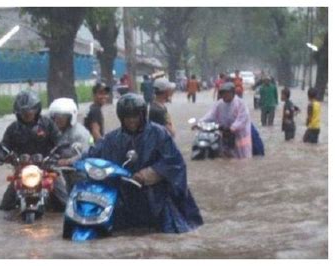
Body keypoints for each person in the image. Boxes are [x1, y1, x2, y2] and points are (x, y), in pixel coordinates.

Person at [85, 93, 203, 233]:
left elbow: (175, 162)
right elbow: (93, 153)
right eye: (127, 117)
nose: (131, 120)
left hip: (156, 197)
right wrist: (72, 162)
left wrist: (147, 174)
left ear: (142, 115)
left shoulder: (159, 133)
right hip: (125, 196)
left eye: (135, 116)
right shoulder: (113, 138)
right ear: (121, 117)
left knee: (170, 231)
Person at [0, 91, 64, 211]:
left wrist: (59, 154)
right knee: (5, 207)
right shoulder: (13, 128)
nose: (27, 113)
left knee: (64, 203)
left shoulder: (48, 124)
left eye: (30, 110)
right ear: (18, 112)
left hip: (47, 167)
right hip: (22, 170)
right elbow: (5, 145)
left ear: (37, 109)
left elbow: (60, 141)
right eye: (23, 111)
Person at [48, 97, 92, 191]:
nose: (58, 119)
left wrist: (68, 161)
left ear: (71, 117)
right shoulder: (55, 132)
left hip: (80, 174)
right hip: (63, 173)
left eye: (63, 116)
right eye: (56, 116)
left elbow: (86, 153)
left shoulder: (80, 133)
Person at [199, 82, 252, 159]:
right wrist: (200, 122)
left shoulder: (240, 103)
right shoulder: (219, 104)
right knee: (226, 158)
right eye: (222, 93)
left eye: (227, 93)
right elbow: (210, 115)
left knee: (243, 159)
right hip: (225, 134)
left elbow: (242, 118)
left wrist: (232, 128)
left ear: (233, 93)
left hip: (240, 136)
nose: (224, 95)